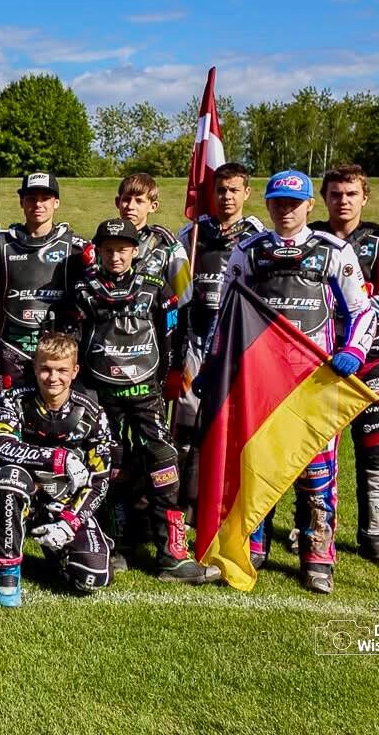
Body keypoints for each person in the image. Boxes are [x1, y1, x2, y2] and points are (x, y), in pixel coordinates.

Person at [223, 169, 377, 594]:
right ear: (268, 204)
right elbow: (227, 313)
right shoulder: (249, 250)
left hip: (315, 382)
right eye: (278, 202)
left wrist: (353, 351)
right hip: (261, 379)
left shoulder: (334, 251)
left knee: (316, 470)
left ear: (310, 204)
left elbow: (362, 312)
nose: (285, 210)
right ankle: (253, 546)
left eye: (294, 203)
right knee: (259, 463)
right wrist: (218, 365)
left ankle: (317, 555)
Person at [70, 218, 216, 583]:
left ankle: (172, 554)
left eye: (122, 249)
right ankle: (115, 544)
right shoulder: (84, 289)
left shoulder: (155, 287)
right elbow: (72, 339)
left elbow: (174, 332)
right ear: (98, 251)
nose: (115, 256)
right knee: (110, 466)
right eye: (108, 250)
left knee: (164, 465)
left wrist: (173, 372)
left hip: (146, 394)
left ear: (135, 251)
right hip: (104, 397)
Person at [312, 164, 379, 571]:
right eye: (335, 194)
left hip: (369, 363)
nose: (343, 201)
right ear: (324, 199)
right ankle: (313, 530)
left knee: (376, 454)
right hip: (318, 365)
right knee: (313, 455)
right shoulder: (311, 239)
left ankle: (376, 537)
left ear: (364, 198)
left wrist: (349, 303)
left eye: (351, 194)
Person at [0, 333, 116, 607]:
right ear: (35, 368)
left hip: (65, 502)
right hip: (25, 496)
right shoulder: (13, 400)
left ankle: (63, 549)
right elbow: (3, 447)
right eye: (45, 369)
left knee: (93, 576)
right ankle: (6, 572)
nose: (53, 378)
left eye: (62, 370)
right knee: (7, 478)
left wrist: (69, 523)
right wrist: (59, 459)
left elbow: (100, 481)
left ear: (75, 371)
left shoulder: (93, 412)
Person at [173, 163, 266, 520]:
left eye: (233, 190)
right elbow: (177, 287)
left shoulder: (257, 236)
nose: (226, 196)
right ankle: (184, 503)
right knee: (187, 424)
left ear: (247, 193)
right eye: (221, 190)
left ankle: (224, 504)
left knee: (229, 425)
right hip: (195, 337)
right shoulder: (192, 232)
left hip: (235, 341)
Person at [0, 172, 87, 390]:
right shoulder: (1, 247)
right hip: (13, 350)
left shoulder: (76, 249)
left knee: (56, 410)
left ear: (56, 203)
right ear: (21, 202)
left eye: (45, 198)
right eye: (31, 198)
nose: (38, 204)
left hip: (59, 352)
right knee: (12, 410)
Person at [114, 172, 192, 305]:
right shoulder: (101, 243)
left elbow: (184, 298)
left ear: (153, 206)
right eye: (126, 199)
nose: (130, 206)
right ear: (118, 202)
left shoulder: (169, 247)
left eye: (139, 201)